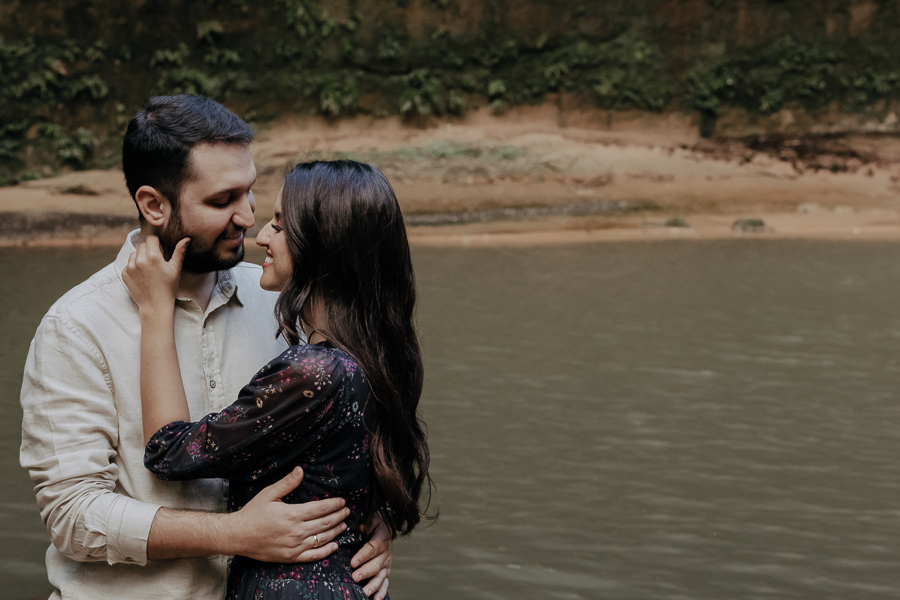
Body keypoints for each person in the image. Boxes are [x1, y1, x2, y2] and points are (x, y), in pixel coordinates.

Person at [19, 96, 391, 600]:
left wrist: (368, 521)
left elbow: (344, 424)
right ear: (154, 205)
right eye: (222, 201)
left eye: (250, 191)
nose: (248, 217)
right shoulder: (75, 327)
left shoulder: (282, 296)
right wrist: (235, 534)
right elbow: (73, 517)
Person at [121, 160, 432, 599]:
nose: (261, 235)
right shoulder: (370, 357)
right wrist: (372, 520)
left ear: (323, 246)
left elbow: (168, 452)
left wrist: (156, 308)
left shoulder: (313, 370)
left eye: (281, 226)